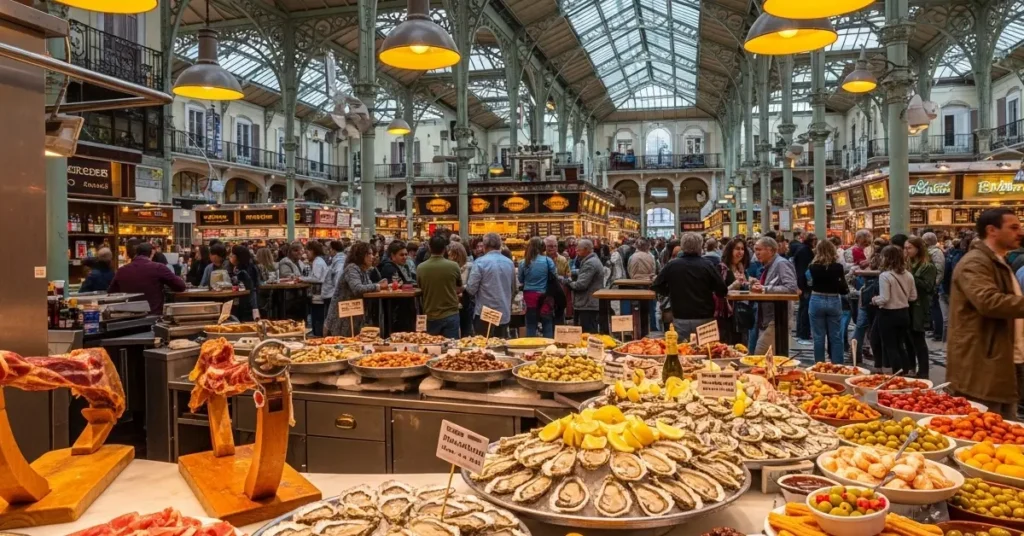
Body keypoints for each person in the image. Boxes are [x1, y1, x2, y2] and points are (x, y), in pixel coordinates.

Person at [949, 208, 1024, 419]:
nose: (1019, 232)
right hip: (982, 365)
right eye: (1013, 227)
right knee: (984, 431)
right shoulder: (975, 262)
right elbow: (989, 302)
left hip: (1000, 359)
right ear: (992, 230)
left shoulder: (998, 261)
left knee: (1005, 431)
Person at [652, 233, 727, 339]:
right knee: (707, 351)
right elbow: (722, 290)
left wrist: (670, 291)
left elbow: (656, 285)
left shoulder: (672, 265)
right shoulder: (707, 265)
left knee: (683, 351)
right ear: (700, 247)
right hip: (705, 318)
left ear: (682, 247)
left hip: (680, 318)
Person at [871, 245, 917, 374]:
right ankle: (906, 371)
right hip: (904, 313)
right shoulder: (908, 275)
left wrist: (875, 300)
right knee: (900, 345)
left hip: (888, 314)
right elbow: (913, 297)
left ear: (886, 258)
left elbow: (885, 298)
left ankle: (897, 373)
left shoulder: (885, 276)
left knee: (890, 346)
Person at [751, 237, 799, 354]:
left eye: (759, 249)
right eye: (755, 250)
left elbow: (791, 288)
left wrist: (765, 289)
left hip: (777, 317)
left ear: (771, 251)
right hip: (768, 317)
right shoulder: (769, 265)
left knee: (760, 354)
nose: (756, 253)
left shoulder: (781, 263)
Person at [107, 242, 186, 313]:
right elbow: (181, 286)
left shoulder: (121, 270)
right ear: (152, 253)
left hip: (128, 317)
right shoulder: (158, 268)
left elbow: (111, 292)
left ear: (136, 253)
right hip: (152, 316)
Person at [324, 241, 379, 337]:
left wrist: (378, 285)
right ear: (361, 255)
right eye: (369, 254)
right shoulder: (352, 268)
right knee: (342, 345)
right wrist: (377, 286)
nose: (372, 257)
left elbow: (368, 286)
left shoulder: (363, 270)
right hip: (342, 317)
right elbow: (357, 288)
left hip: (353, 314)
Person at [807, 239, 849, 364]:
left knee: (818, 337)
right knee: (836, 336)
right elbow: (842, 285)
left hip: (816, 299)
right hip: (834, 299)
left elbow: (808, 283)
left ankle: (819, 364)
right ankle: (837, 365)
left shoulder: (812, 267)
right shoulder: (838, 267)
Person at [466, 233, 515, 337]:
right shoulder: (509, 263)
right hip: (503, 312)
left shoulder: (480, 262)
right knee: (501, 346)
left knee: (484, 348)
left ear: (485, 245)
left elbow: (471, 289)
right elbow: (513, 288)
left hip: (485, 314)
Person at [905, 236, 937, 379]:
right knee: (908, 339)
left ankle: (923, 371)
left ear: (918, 249)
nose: (906, 251)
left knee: (918, 339)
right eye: (905, 248)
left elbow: (928, 287)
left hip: (919, 306)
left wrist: (911, 276)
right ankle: (911, 367)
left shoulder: (927, 266)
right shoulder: (907, 263)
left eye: (909, 248)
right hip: (907, 304)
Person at [563, 239, 605, 333]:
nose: (576, 252)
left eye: (579, 250)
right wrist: (575, 272)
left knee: (587, 333)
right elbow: (585, 273)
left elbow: (581, 285)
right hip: (588, 303)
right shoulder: (591, 260)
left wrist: (568, 282)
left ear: (586, 250)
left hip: (587, 304)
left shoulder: (590, 263)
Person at [518, 237, 557, 338]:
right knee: (547, 323)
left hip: (529, 296)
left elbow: (521, 280)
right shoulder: (548, 261)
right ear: (543, 248)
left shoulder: (523, 262)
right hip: (546, 296)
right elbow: (554, 277)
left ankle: (530, 350)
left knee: (531, 325)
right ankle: (549, 349)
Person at [378, 240, 417, 333]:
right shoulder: (388, 268)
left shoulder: (405, 266)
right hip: (395, 310)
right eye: (401, 255)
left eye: (406, 254)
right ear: (393, 256)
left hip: (406, 307)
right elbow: (394, 287)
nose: (405, 257)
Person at [719, 238, 751, 344]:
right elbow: (718, 291)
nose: (740, 252)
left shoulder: (742, 268)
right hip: (728, 316)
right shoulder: (723, 268)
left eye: (742, 249)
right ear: (730, 250)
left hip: (743, 313)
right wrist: (734, 285)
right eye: (737, 249)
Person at [628, 239, 658, 332]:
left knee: (635, 308)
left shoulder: (633, 257)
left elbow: (630, 271)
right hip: (648, 285)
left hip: (635, 285)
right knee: (650, 308)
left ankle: (635, 327)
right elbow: (654, 270)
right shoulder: (651, 257)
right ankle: (652, 328)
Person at [793, 233, 817, 345]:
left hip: (801, 282)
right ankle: (804, 334)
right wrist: (807, 284)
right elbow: (804, 269)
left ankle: (801, 332)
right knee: (805, 309)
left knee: (803, 308)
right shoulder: (806, 251)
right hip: (805, 284)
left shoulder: (802, 249)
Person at [302, 241, 329, 336]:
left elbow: (317, 278)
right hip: (319, 296)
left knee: (317, 319)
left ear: (313, 251)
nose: (306, 254)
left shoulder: (317, 262)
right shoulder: (319, 261)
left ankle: (318, 336)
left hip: (318, 297)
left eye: (308, 251)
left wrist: (302, 279)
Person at [447, 242, 474, 337]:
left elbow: (472, 284)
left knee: (466, 329)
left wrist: (463, 288)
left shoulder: (470, 267)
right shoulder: (448, 267)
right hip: (452, 302)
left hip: (465, 303)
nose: (450, 257)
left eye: (452, 255)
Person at [921, 232, 945, 341]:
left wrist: (935, 283)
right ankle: (933, 329)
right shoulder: (929, 252)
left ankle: (938, 332)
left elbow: (939, 270)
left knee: (936, 308)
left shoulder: (936, 253)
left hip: (933, 284)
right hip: (928, 283)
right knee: (931, 308)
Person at [228, 245, 261, 322]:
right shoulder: (237, 268)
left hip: (247, 304)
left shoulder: (245, 271)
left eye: (232, 255)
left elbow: (251, 288)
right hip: (245, 302)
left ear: (237, 257)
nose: (230, 257)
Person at [320, 240, 347, 328]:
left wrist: (337, 294)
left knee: (330, 322)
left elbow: (338, 278)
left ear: (333, 250)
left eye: (329, 249)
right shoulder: (337, 260)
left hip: (332, 295)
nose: (328, 252)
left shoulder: (339, 261)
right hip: (331, 294)